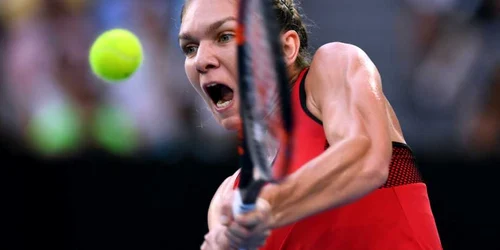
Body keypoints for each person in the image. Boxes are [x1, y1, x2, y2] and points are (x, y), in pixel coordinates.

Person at [178, 0, 443, 249]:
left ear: (285, 48)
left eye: (225, 36)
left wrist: (266, 204)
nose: (201, 60)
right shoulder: (226, 198)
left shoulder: (334, 66)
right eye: (190, 48)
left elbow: (368, 159)